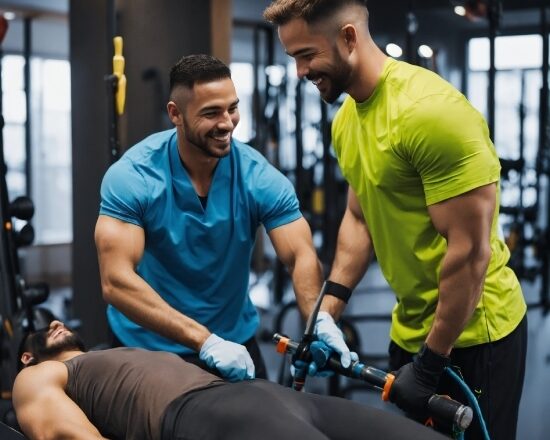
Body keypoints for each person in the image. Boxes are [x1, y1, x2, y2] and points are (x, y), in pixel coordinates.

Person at [264, 1, 527, 439]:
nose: (299, 72)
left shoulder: (430, 112)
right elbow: (358, 217)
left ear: (349, 37)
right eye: (294, 58)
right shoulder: (347, 119)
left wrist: (430, 364)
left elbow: (470, 254)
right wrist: (328, 315)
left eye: (306, 55)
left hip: (474, 338)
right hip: (409, 332)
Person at [95, 54, 352, 383]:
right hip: (148, 346)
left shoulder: (256, 175)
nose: (227, 122)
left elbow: (300, 253)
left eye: (232, 107)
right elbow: (115, 281)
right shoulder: (134, 176)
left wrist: (316, 321)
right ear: (175, 114)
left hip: (234, 342)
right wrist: (205, 341)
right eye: (211, 113)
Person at [13, 320, 449, 440]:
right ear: (27, 356)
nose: (53, 320)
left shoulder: (106, 357)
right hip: (209, 414)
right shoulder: (38, 376)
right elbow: (62, 435)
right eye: (41, 329)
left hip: (264, 397)